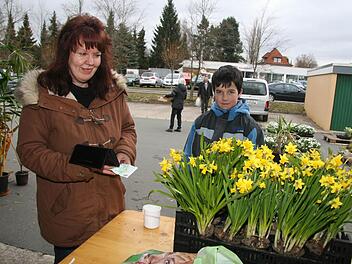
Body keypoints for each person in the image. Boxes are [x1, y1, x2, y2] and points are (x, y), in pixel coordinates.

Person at [14, 15, 137, 263]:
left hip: (111, 208)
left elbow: (128, 129)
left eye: (96, 55)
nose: (89, 62)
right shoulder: (42, 96)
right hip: (68, 212)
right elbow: (29, 151)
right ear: (66, 53)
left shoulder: (112, 91)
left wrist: (124, 152)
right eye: (82, 53)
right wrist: (82, 164)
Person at [184, 65, 264, 157]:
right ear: (214, 92)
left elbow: (256, 164)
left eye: (230, 92)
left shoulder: (250, 128)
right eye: (219, 92)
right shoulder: (200, 123)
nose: (225, 98)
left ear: (240, 92)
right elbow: (186, 158)